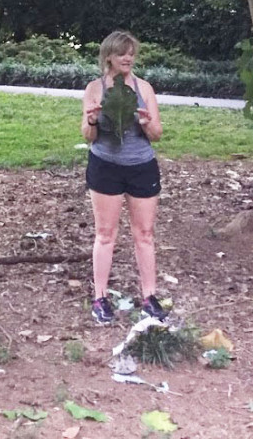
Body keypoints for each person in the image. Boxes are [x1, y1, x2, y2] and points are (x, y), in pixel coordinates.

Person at [81, 29, 167, 325]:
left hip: (141, 166)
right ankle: (100, 298)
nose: (128, 58)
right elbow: (88, 135)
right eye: (122, 53)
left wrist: (146, 123)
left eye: (131, 53)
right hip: (105, 166)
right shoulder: (95, 88)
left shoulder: (144, 88)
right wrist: (92, 119)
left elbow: (156, 134)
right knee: (105, 234)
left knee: (144, 234)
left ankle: (150, 297)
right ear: (109, 58)